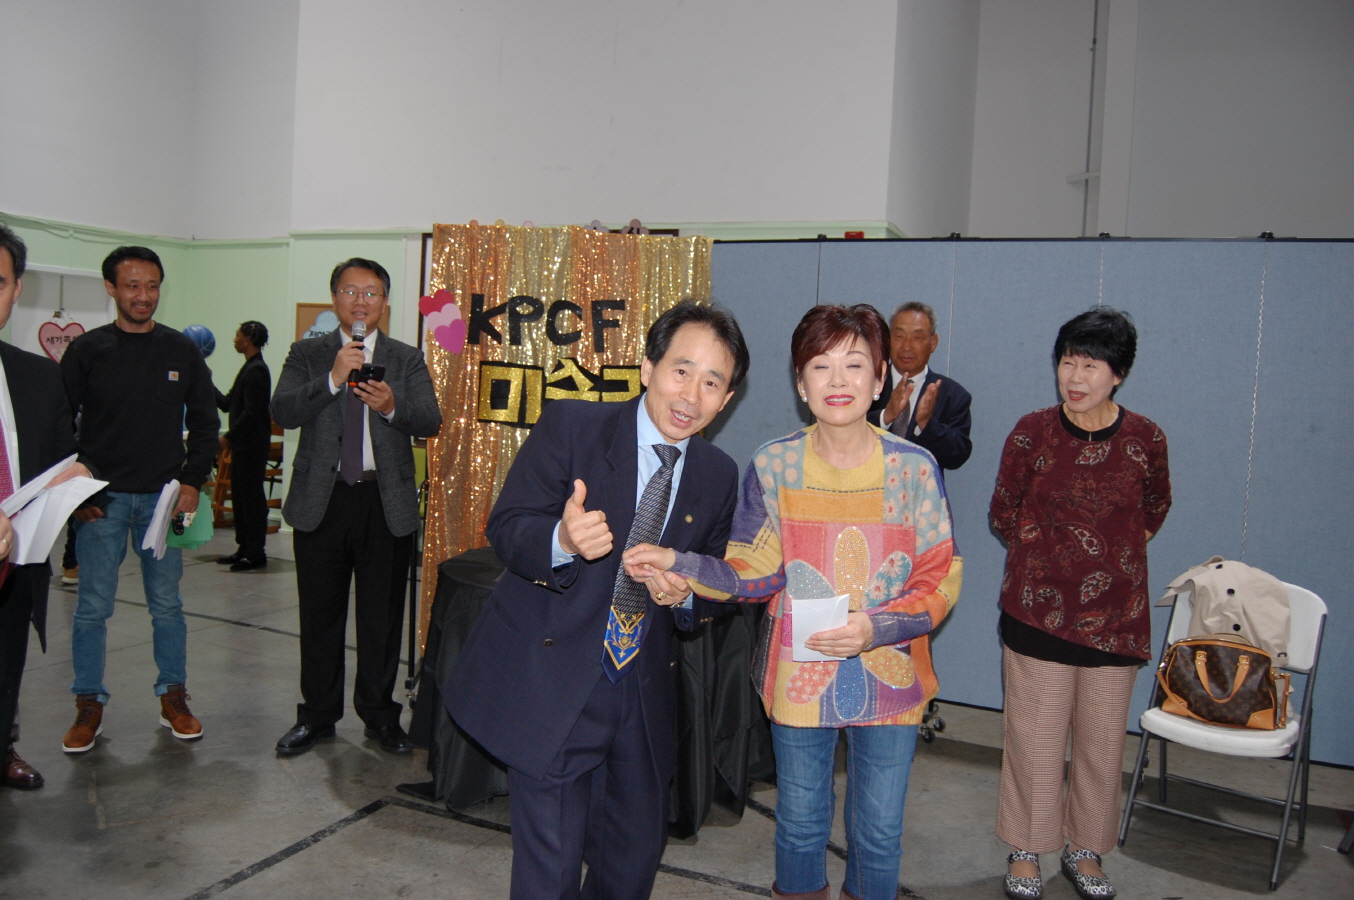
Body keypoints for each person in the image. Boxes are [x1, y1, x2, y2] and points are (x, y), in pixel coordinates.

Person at [625, 304, 962, 900]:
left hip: (892, 672)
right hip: (799, 675)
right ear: (801, 384)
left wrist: (876, 628)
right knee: (801, 827)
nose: (838, 381)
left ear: (879, 380)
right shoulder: (774, 464)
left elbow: (940, 576)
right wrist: (682, 563)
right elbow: (753, 572)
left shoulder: (914, 468)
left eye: (854, 365)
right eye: (820, 366)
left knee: (879, 833)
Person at [445, 301, 748, 900]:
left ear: (727, 399)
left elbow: (716, 584)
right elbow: (508, 525)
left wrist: (686, 595)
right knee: (550, 873)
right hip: (554, 678)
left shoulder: (718, 473)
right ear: (647, 368)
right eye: (681, 371)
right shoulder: (573, 426)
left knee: (630, 864)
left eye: (712, 383)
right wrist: (561, 540)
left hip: (642, 691)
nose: (691, 396)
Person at [989, 308, 1171, 900]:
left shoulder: (1146, 439)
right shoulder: (1031, 433)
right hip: (1036, 614)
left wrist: (1108, 561)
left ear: (1118, 373)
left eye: (1091, 365)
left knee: (1101, 744)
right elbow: (1003, 510)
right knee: (1034, 741)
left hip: (1115, 620)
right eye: (1069, 361)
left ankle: (1085, 849)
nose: (1076, 376)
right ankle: (1025, 849)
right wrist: (1049, 561)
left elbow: (1155, 507)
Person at [271, 258, 441, 757]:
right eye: (350, 291)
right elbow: (282, 410)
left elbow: (429, 420)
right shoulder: (307, 353)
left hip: (383, 502)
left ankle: (380, 715)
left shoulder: (406, 359)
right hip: (321, 501)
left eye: (371, 292)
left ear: (385, 301)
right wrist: (331, 379)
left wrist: (391, 406)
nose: (360, 301)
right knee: (319, 616)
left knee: (380, 618)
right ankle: (318, 715)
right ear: (335, 299)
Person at [60, 246, 219, 752]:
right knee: (91, 609)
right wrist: (75, 493)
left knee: (167, 606)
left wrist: (192, 480)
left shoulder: (180, 350)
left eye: (152, 286)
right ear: (111, 288)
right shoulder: (87, 351)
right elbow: (57, 426)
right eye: (132, 286)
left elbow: (207, 421)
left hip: (162, 503)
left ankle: (173, 696)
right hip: (101, 504)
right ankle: (88, 703)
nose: (143, 296)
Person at [0, 224, 91, 788]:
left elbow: (59, 453)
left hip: (15, 563)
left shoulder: (35, 376)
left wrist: (75, 474)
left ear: (16, 290)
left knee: (6, 661)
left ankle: (1, 747)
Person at [868, 301, 972, 474]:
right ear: (888, 340)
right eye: (899, 336)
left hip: (922, 489)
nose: (906, 346)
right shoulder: (867, 384)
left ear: (933, 342)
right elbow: (843, 434)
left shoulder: (953, 395)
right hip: (868, 486)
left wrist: (927, 423)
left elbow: (957, 457)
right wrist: (885, 416)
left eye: (917, 338)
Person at [214, 321, 272, 571]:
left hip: (252, 446)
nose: (235, 339)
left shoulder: (256, 370)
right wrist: (206, 382)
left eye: (237, 335)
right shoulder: (249, 368)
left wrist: (228, 437)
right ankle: (244, 547)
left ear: (247, 339)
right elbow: (228, 404)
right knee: (240, 498)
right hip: (243, 445)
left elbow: (251, 413)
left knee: (251, 500)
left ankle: (256, 552)